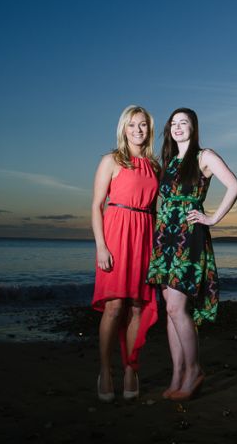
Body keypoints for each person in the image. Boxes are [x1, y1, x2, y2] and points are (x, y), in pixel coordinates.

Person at [147, 108, 237, 401]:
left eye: (183, 123)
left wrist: (212, 218)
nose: (177, 127)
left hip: (189, 236)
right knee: (170, 311)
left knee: (177, 307)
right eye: (173, 123)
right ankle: (177, 374)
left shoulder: (205, 156)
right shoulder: (169, 161)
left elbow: (235, 187)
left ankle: (194, 371)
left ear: (193, 127)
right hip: (166, 237)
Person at [92, 105, 160, 402]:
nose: (138, 130)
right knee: (114, 306)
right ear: (123, 128)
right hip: (116, 234)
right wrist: (101, 246)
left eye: (143, 125)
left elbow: (156, 210)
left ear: (149, 129)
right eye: (132, 125)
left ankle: (130, 368)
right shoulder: (111, 160)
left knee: (136, 307)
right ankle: (106, 371)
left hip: (145, 235)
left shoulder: (155, 166)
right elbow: (96, 206)